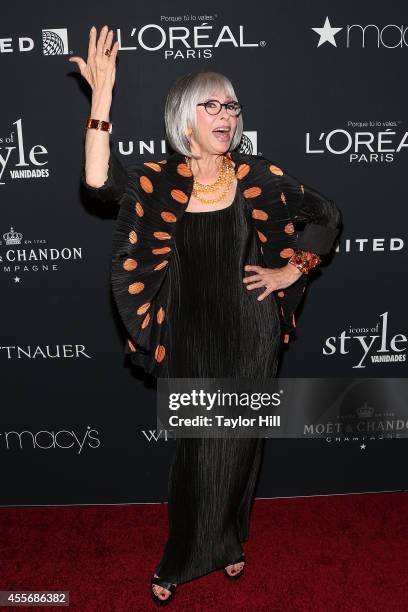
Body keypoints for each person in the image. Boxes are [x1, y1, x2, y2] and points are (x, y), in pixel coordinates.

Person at [70, 25, 342, 606]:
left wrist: (291, 270)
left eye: (232, 106)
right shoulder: (159, 181)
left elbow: (326, 214)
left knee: (241, 445)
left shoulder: (257, 176)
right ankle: (183, 556)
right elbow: (97, 182)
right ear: (183, 116)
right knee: (197, 450)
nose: (225, 115)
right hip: (188, 335)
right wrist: (101, 98)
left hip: (251, 332)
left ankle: (228, 541)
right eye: (211, 104)